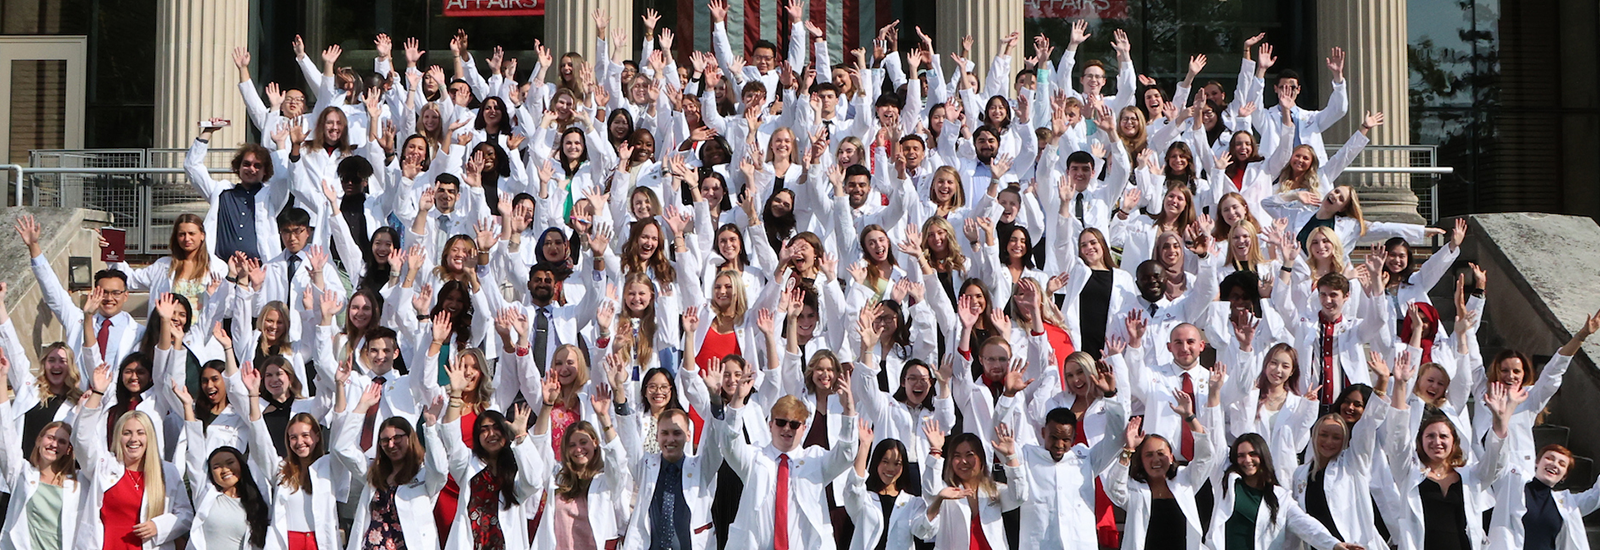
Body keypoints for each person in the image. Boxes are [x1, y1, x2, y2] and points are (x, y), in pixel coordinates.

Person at [73, 362, 194, 550]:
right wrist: (97, 393)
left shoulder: (167, 472)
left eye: (140, 432)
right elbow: (81, 439)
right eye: (127, 433)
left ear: (150, 437)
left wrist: (158, 526)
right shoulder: (104, 466)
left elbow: (185, 515)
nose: (133, 439)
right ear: (118, 436)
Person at [1204, 433, 1359, 550]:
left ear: (1263, 456)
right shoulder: (1226, 483)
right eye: (1241, 455)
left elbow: (1306, 525)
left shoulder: (1280, 497)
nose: (1247, 460)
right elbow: (1214, 437)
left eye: (1253, 454)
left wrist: (1333, 544)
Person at [0, 353, 82, 550]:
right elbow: (5, 434)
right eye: (50, 437)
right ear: (38, 439)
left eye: (62, 441)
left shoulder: (79, 484)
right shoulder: (21, 474)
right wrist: (3, 380)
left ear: (69, 449)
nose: (54, 444)